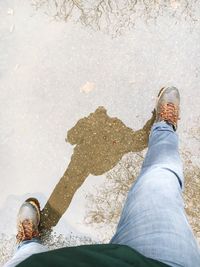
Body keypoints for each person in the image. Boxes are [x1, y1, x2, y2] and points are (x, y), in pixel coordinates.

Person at [4, 87, 200, 267]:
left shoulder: (113, 127)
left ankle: (28, 244)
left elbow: (136, 140)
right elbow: (73, 136)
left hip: (84, 163)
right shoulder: (105, 124)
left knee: (27, 257)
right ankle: (164, 126)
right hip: (160, 261)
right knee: (161, 179)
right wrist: (87, 126)